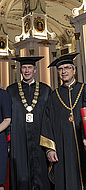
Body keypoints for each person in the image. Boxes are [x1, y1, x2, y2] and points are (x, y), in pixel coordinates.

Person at [40, 52, 86, 190]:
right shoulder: (54, 96)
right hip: (61, 148)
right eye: (60, 69)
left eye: (67, 68)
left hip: (83, 144)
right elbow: (46, 123)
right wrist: (49, 149)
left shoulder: (84, 90)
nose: (64, 71)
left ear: (74, 70)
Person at [7, 56, 52, 190]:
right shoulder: (11, 90)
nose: (27, 71)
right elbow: (7, 117)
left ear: (35, 70)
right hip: (18, 139)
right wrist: (9, 141)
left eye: (30, 68)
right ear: (20, 70)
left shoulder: (45, 90)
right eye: (24, 68)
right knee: (21, 173)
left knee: (41, 172)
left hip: (40, 138)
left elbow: (50, 117)